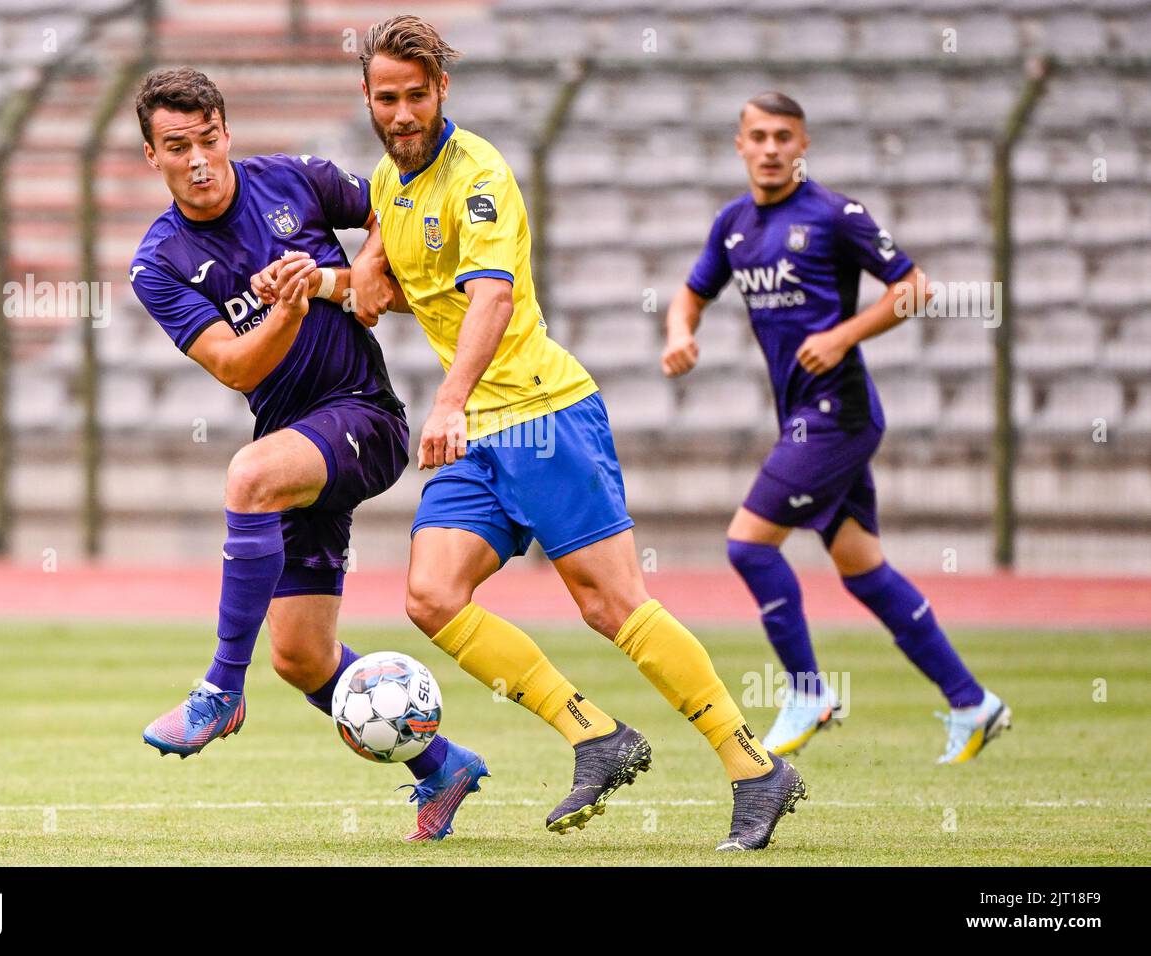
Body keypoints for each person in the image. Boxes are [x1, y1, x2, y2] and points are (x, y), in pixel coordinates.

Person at [350, 16, 806, 850]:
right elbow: (402, 276)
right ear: (370, 99)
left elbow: (489, 299)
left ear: (442, 90)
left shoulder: (478, 172)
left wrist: (446, 402)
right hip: (480, 432)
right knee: (430, 597)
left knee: (611, 605)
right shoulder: (387, 180)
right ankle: (596, 734)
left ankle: (753, 767)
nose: (404, 111)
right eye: (388, 97)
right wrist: (344, 277)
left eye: (418, 94)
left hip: (539, 414)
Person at [128, 67, 486, 841]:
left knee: (248, 477)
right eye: (176, 146)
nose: (198, 159)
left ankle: (221, 689)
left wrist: (365, 269)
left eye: (208, 139)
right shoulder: (157, 261)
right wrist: (293, 305)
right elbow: (235, 365)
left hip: (363, 417)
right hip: (294, 438)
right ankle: (443, 766)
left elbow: (398, 198)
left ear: (227, 131)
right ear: (151, 155)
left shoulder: (299, 179)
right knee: (299, 654)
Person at [662, 91, 1011, 764]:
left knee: (747, 547)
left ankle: (808, 692)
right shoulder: (732, 224)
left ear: (804, 145)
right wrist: (680, 333)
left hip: (836, 414)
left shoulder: (834, 214)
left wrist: (843, 335)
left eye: (783, 137)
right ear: (740, 145)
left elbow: (913, 286)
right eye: (758, 136)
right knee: (863, 570)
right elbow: (691, 293)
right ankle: (973, 702)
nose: (770, 148)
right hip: (801, 416)